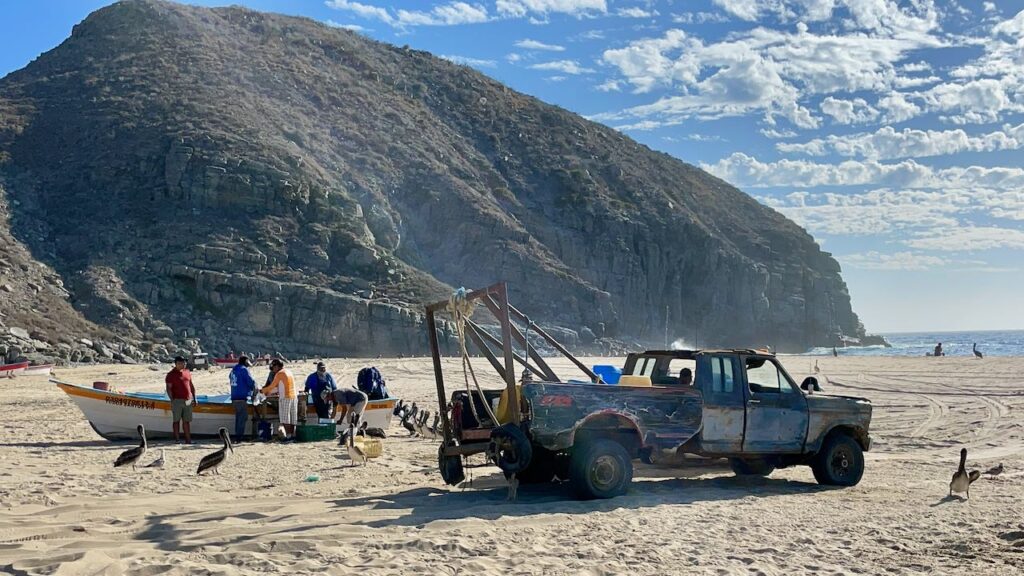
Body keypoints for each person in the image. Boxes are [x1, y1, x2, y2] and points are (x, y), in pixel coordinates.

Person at [261, 359, 297, 439]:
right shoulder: (288, 372)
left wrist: (262, 391)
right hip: (294, 396)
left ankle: (288, 436)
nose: (273, 369)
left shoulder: (279, 374)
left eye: (273, 367)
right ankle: (293, 435)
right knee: (292, 418)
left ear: (277, 366)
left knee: (285, 419)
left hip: (285, 397)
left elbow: (272, 387)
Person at [165, 356, 197, 444]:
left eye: (184, 363)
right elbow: (168, 388)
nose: (184, 364)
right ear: (177, 364)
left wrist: (194, 397)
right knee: (176, 421)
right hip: (177, 400)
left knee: (187, 421)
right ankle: (177, 440)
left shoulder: (187, 372)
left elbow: (191, 385)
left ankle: (188, 440)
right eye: (182, 363)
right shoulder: (170, 375)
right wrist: (172, 400)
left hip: (188, 399)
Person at [229, 355, 256, 443]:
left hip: (234, 397)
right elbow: (251, 382)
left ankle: (238, 435)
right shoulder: (244, 369)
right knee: (242, 417)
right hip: (241, 397)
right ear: (245, 361)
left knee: (238, 417)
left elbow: (231, 378)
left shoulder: (233, 370)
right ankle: (239, 437)